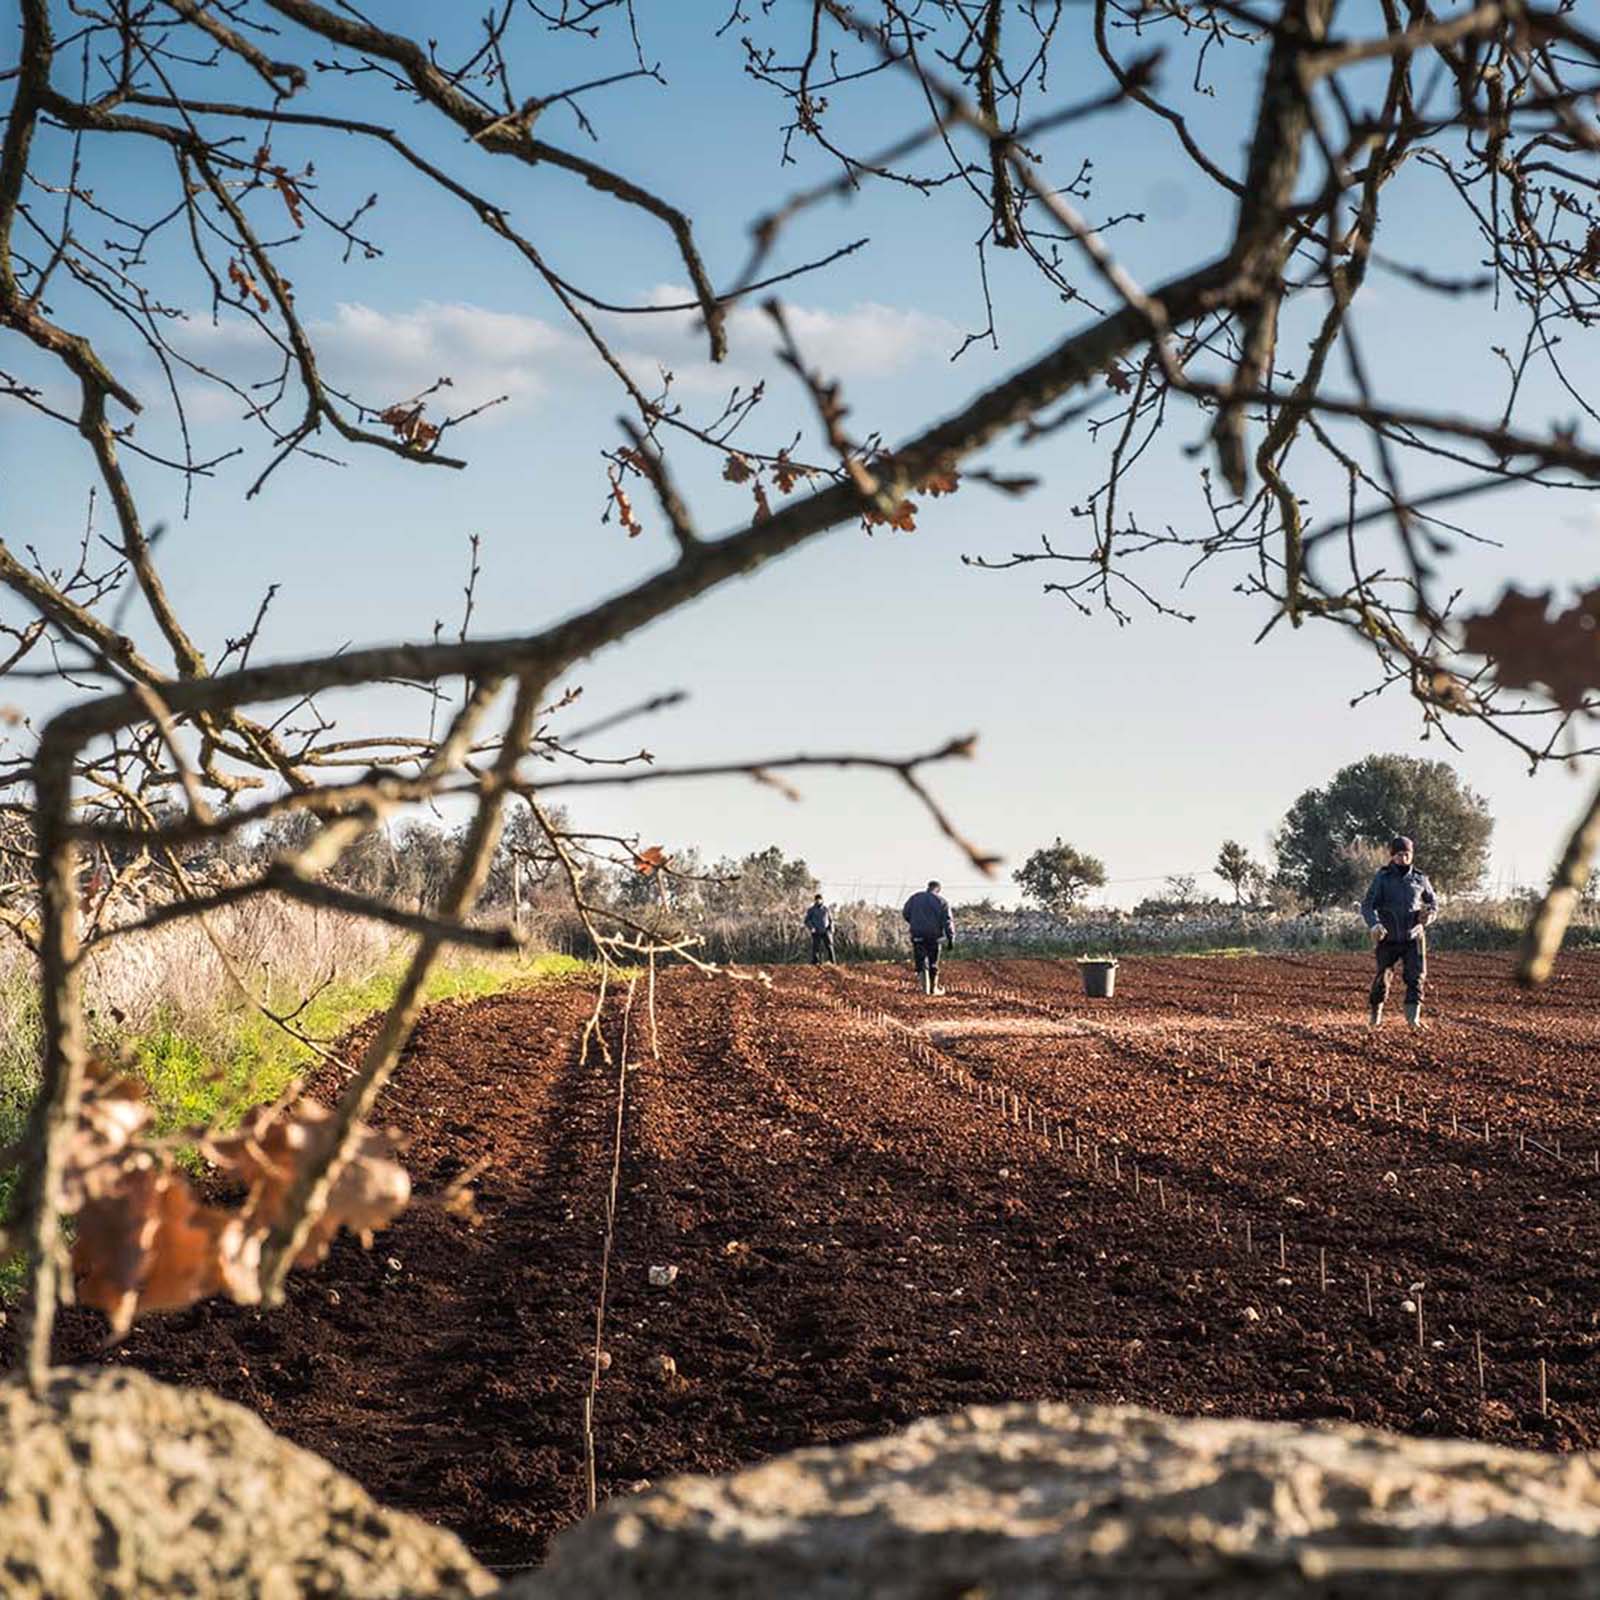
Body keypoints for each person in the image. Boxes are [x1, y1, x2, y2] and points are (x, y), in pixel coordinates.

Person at [1360, 835, 1437, 1029]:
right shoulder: (1383, 878)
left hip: (1414, 938)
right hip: (1388, 938)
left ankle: (1413, 1020)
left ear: (1412, 855)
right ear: (1393, 856)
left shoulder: (1420, 878)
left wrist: (1428, 918)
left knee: (1416, 977)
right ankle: (1375, 1018)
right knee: (1382, 978)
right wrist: (1374, 924)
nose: (1404, 858)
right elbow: (1368, 905)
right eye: (1400, 854)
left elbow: (1433, 903)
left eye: (1407, 854)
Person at [902, 879, 955, 995]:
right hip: (934, 937)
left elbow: (905, 913)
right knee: (933, 962)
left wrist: (914, 923)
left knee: (920, 961)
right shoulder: (941, 901)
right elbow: (947, 921)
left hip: (918, 935)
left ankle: (924, 988)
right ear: (938, 889)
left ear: (928, 887)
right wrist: (950, 938)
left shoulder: (915, 898)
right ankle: (933, 989)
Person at [804, 893, 836, 964]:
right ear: (815, 901)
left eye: (820, 899)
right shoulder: (811, 910)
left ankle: (832, 961)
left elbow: (831, 920)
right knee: (816, 948)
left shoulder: (826, 909)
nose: (818, 901)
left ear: (822, 900)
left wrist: (831, 929)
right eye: (817, 900)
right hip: (816, 931)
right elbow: (806, 920)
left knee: (829, 946)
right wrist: (811, 927)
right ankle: (815, 961)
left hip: (826, 931)